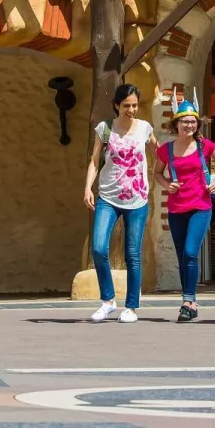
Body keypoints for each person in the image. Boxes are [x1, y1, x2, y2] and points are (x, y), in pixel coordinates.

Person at [83, 83, 157, 324]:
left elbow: (160, 152)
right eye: (126, 105)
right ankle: (108, 301)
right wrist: (87, 188)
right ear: (117, 105)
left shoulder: (145, 128)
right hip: (108, 196)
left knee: (132, 255)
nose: (131, 110)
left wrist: (162, 179)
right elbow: (95, 161)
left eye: (135, 105)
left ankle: (132, 307)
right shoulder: (105, 129)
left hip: (137, 200)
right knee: (98, 248)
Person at [154, 91, 215, 322]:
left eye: (193, 121)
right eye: (185, 121)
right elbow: (156, 173)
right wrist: (167, 184)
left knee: (190, 252)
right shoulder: (165, 150)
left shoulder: (204, 145)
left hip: (200, 205)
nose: (189, 125)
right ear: (176, 123)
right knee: (181, 255)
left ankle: (189, 299)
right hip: (176, 208)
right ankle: (188, 302)